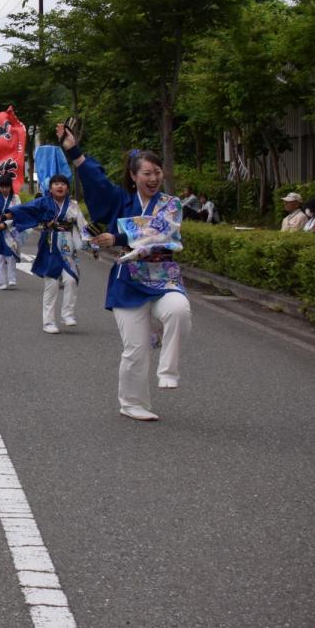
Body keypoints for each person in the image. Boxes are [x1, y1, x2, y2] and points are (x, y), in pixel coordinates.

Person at [58, 127, 192, 422]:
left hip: (163, 276)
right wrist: (74, 152)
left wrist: (116, 238)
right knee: (136, 348)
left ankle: (168, 371)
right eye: (146, 173)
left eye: (157, 172)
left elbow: (158, 234)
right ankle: (132, 403)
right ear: (133, 176)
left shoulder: (170, 205)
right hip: (128, 280)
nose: (153, 178)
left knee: (180, 310)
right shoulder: (121, 201)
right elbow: (98, 185)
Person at [6, 174, 92, 333]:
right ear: (50, 188)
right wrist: (6, 215)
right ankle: (48, 322)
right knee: (51, 284)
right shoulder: (43, 202)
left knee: (72, 279)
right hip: (50, 246)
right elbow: (25, 209)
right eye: (56, 184)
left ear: (68, 187)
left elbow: (83, 226)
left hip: (68, 246)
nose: (60, 186)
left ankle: (67, 314)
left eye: (63, 184)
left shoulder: (73, 205)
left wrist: (93, 242)